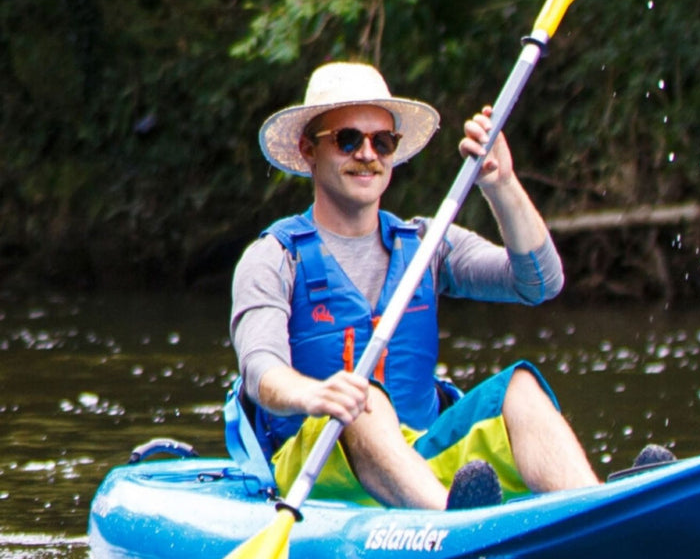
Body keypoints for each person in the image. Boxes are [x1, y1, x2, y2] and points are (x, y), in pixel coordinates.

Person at [230, 61, 600, 511]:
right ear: (309, 150)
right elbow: (260, 372)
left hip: (420, 456)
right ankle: (450, 526)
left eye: (382, 142)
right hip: (320, 461)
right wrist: (314, 394)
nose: (367, 154)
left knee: (520, 386)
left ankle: (596, 511)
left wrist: (502, 186)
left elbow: (539, 282)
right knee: (359, 398)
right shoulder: (272, 258)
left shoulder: (427, 244)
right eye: (348, 140)